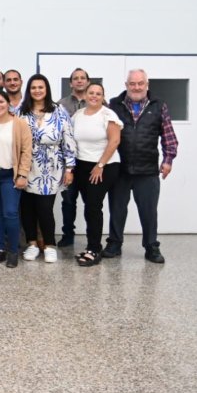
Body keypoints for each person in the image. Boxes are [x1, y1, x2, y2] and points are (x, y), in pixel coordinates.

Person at [105, 69, 177, 263]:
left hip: (148, 170)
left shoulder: (159, 105)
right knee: (117, 209)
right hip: (120, 168)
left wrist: (168, 160)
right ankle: (114, 243)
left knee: (148, 211)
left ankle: (151, 247)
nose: (136, 87)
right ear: (126, 85)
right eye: (132, 84)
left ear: (147, 84)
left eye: (140, 83)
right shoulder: (113, 105)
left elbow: (169, 136)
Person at [18, 74, 76, 263]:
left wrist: (69, 168)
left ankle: (50, 245)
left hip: (52, 168)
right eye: (33, 87)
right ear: (29, 90)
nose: (37, 90)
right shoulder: (21, 111)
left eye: (40, 87)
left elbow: (68, 139)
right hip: (26, 165)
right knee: (27, 208)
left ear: (46, 89)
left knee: (45, 208)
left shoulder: (59, 111)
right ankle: (32, 244)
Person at [71, 83, 122, 266]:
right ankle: (91, 246)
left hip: (104, 166)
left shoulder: (108, 115)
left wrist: (100, 164)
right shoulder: (78, 115)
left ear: (103, 96)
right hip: (82, 165)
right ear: (84, 95)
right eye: (91, 93)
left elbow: (115, 140)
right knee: (88, 206)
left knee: (93, 206)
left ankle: (94, 249)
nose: (94, 96)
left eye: (98, 93)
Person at [0, 90, 32, 268]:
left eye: (1, 102)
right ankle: (0, 249)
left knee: (10, 213)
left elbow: (27, 151)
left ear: (8, 103)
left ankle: (13, 251)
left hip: (9, 175)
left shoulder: (19, 124)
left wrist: (23, 174)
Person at [55, 68, 90, 247]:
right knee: (68, 200)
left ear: (87, 81)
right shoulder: (61, 104)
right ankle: (68, 234)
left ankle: (92, 236)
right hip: (68, 162)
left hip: (89, 160)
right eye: (75, 78)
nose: (79, 81)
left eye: (82, 78)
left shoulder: (97, 102)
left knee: (91, 201)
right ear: (70, 83)